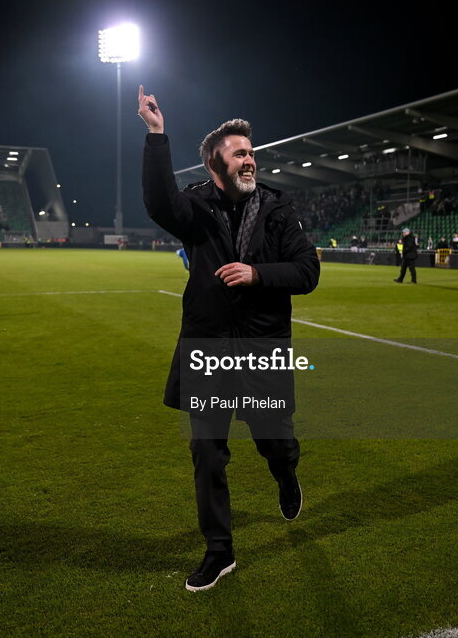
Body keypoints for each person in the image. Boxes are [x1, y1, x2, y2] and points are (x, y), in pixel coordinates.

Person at [138, 86, 319, 592]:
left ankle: (286, 473)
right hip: (209, 349)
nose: (250, 160)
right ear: (216, 164)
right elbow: (158, 204)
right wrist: (157, 136)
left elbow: (307, 272)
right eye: (240, 153)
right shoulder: (195, 207)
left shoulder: (279, 211)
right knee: (207, 451)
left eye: (251, 153)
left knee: (274, 442)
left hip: (261, 352)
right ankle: (220, 551)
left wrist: (258, 274)